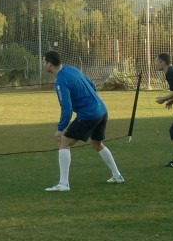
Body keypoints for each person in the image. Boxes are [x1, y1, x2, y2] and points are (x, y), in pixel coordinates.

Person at [43, 50, 124, 191]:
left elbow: (67, 108)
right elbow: (91, 84)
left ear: (49, 64)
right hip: (102, 110)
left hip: (89, 115)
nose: (43, 64)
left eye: (44, 62)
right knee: (96, 143)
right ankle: (117, 175)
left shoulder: (60, 81)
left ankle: (63, 184)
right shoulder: (72, 69)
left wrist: (61, 129)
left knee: (64, 142)